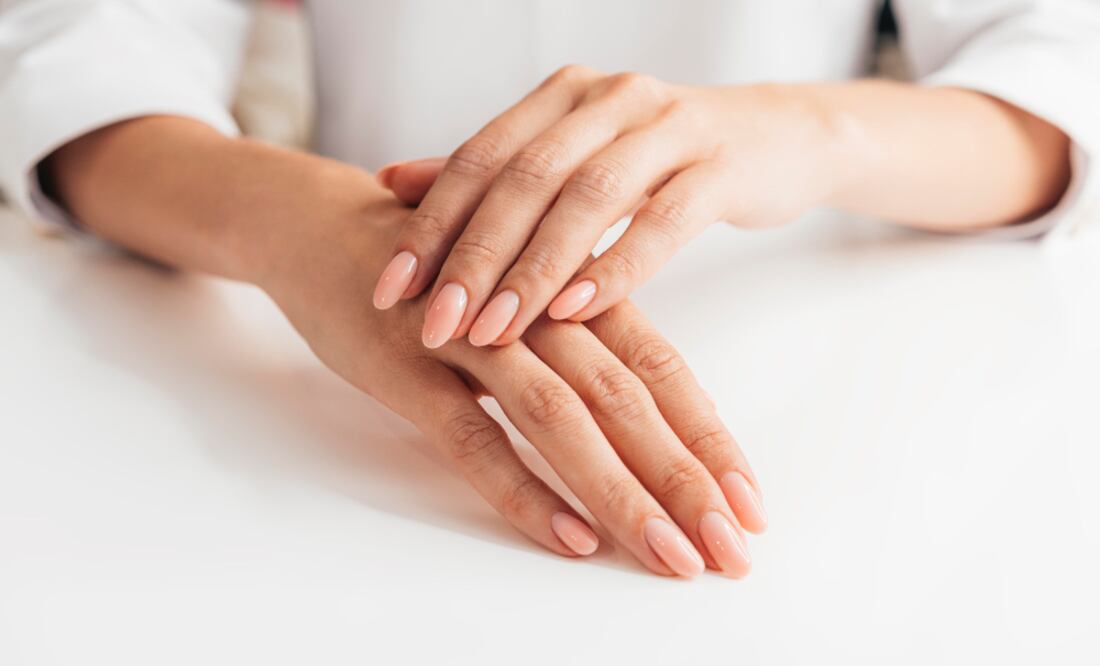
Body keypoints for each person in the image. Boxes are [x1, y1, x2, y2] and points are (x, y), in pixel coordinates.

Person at [1, 0, 1097, 580]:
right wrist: (295, 222)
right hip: (354, 336)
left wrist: (809, 126)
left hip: (844, 350)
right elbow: (83, 48)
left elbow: (1055, 65)